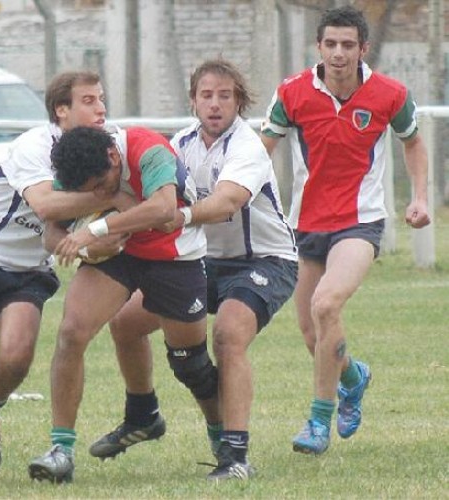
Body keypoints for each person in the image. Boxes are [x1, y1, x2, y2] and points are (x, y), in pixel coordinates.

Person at [89, 59, 298, 481]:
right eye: (207, 95)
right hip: (201, 262)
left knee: (228, 334)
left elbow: (226, 203)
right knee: (125, 325)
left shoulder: (247, 146)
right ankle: (143, 413)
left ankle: (236, 456)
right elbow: (145, 193)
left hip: (265, 261)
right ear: (193, 101)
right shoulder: (180, 144)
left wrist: (177, 217)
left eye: (226, 95)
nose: (216, 104)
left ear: (240, 101)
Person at [0, 71, 130, 483]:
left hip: (26, 272)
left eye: (101, 99)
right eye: (89, 100)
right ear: (62, 110)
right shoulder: (35, 145)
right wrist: (109, 196)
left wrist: (107, 236)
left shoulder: (110, 144)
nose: (101, 108)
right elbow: (44, 205)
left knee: (17, 356)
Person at [260, 5, 431, 455]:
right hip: (304, 225)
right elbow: (263, 150)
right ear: (319, 47)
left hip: (360, 221)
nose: (338, 53)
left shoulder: (389, 94)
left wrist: (419, 197)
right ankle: (353, 378)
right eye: (331, 44)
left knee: (326, 303)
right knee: (311, 332)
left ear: (363, 49)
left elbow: (413, 142)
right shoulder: (292, 93)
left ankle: (319, 421)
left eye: (348, 45)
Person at [27, 125, 221, 484]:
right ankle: (61, 451)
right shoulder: (79, 167)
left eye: (102, 184)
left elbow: (163, 210)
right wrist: (83, 246)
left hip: (174, 254)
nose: (97, 194)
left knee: (190, 364)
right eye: (89, 192)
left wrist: (95, 230)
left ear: (114, 157)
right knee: (72, 333)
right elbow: (52, 233)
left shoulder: (149, 150)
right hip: (118, 254)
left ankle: (224, 442)